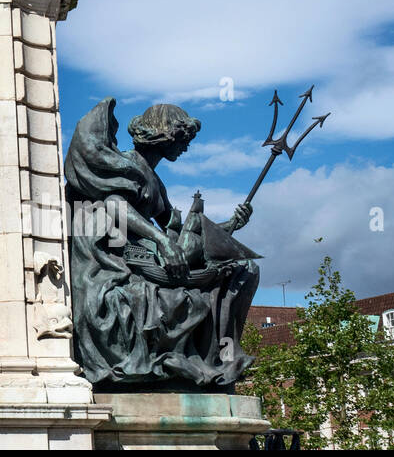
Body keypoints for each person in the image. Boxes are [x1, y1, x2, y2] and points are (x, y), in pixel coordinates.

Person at [64, 99, 259, 389]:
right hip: (113, 267)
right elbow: (115, 206)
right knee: (190, 300)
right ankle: (195, 363)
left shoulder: (154, 180)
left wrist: (230, 225)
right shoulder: (128, 165)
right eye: (183, 139)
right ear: (165, 135)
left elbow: (181, 231)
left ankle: (223, 361)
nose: (186, 147)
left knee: (242, 271)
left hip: (142, 261)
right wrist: (160, 241)